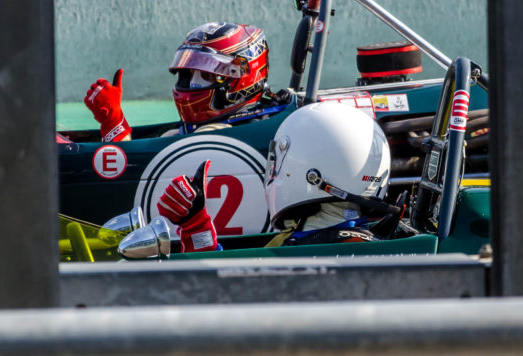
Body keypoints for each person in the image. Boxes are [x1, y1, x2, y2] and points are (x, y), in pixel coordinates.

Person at [154, 101, 411, 252]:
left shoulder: (311, 250)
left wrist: (196, 229)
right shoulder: (373, 244)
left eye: (280, 159)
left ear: (314, 177)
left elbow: (228, 298)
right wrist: (199, 232)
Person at [84, 22, 274, 142]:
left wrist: (113, 122)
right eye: (188, 74)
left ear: (240, 77)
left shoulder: (215, 137)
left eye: (205, 75)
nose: (191, 84)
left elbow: (134, 167)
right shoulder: (187, 132)